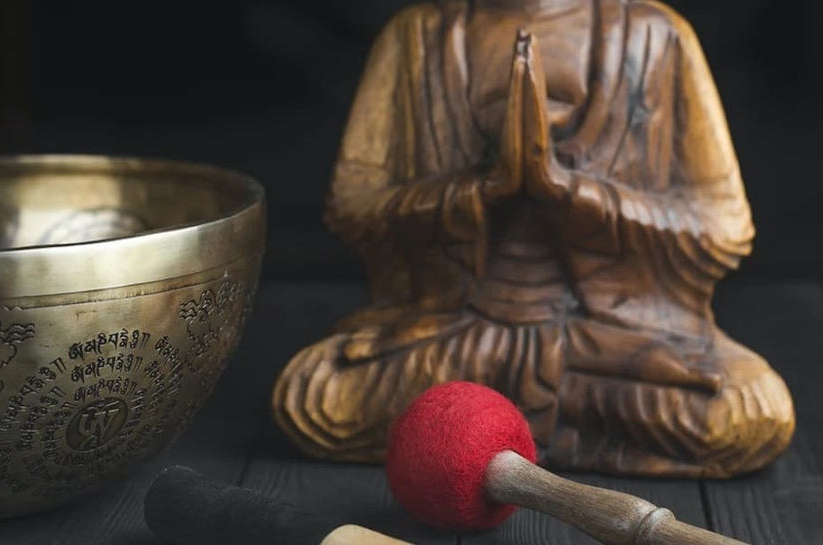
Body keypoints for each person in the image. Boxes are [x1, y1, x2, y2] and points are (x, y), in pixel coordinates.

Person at [273, 0, 794, 477]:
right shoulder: (420, 35)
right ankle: (511, 432)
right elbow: (353, 207)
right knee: (315, 397)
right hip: (458, 331)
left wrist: (571, 193)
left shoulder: (657, 35)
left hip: (612, 342)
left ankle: (469, 433)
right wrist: (482, 189)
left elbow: (724, 227)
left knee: (750, 412)